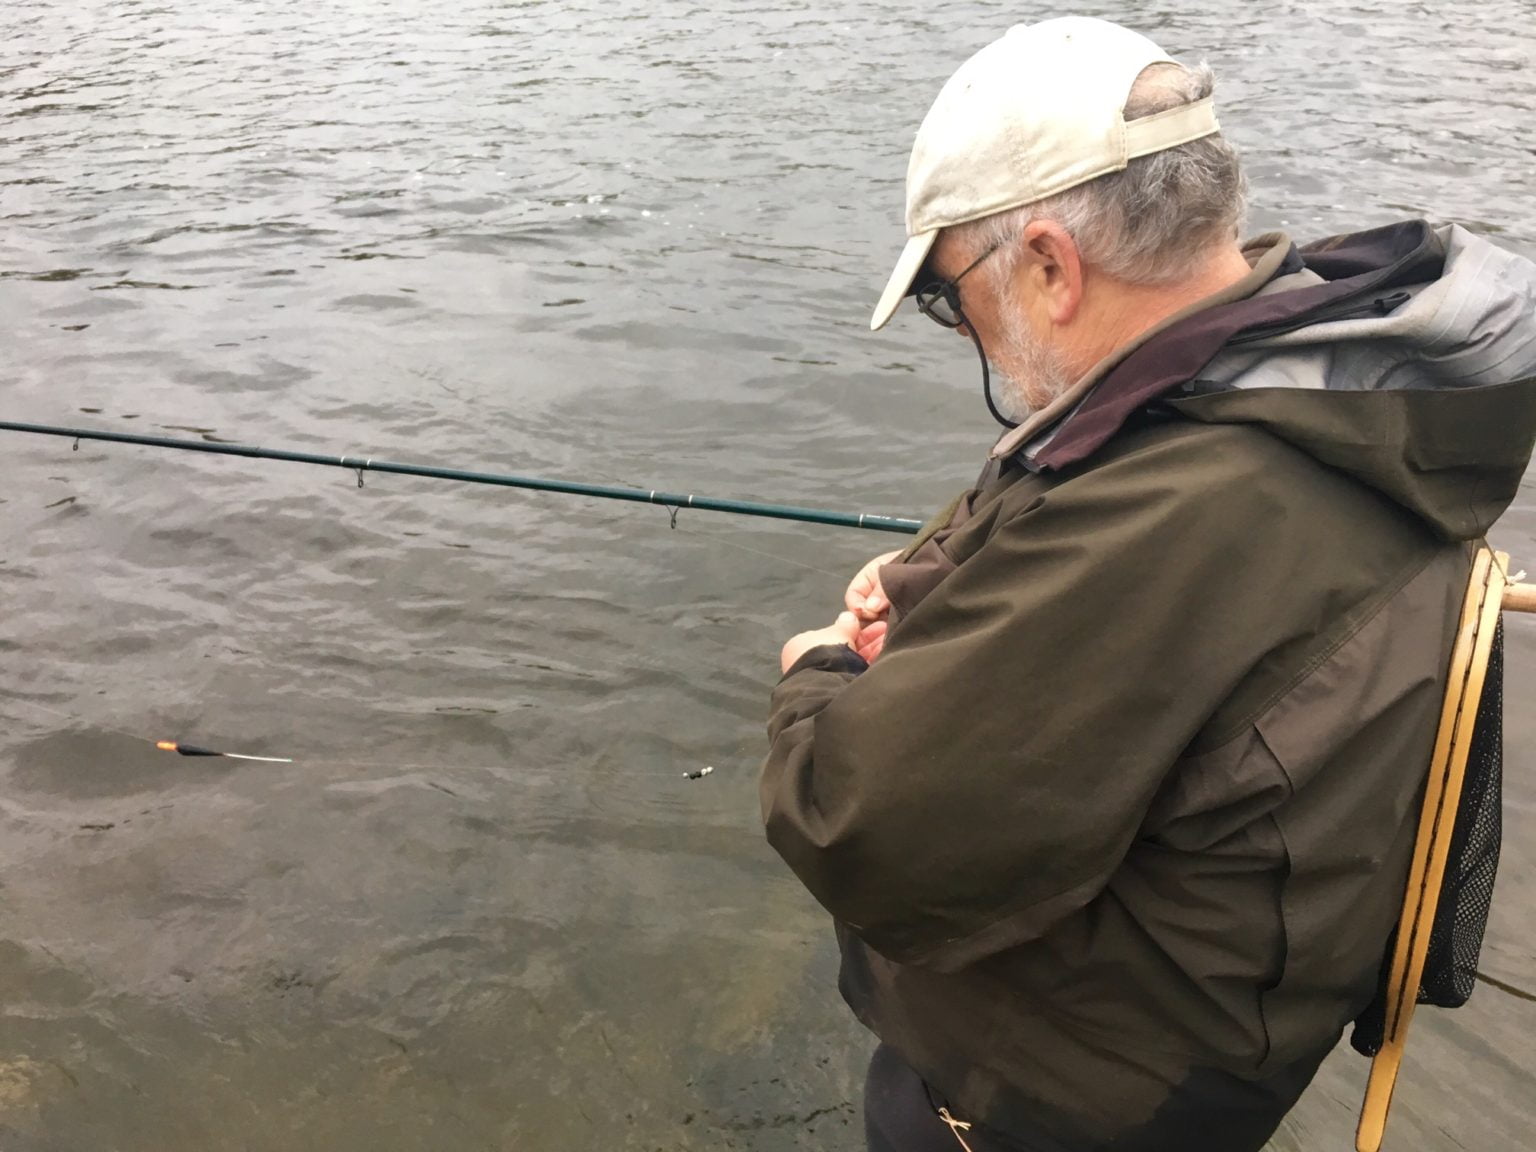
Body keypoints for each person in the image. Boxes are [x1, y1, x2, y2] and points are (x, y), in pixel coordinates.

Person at [761, 16, 1536, 1152]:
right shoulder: (1325, 386)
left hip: (1064, 1103)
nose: (963, 331)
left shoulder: (1186, 508)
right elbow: (1119, 577)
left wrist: (820, 673)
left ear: (1048, 264)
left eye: (947, 295)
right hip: (1226, 1051)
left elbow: (861, 827)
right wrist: (935, 587)